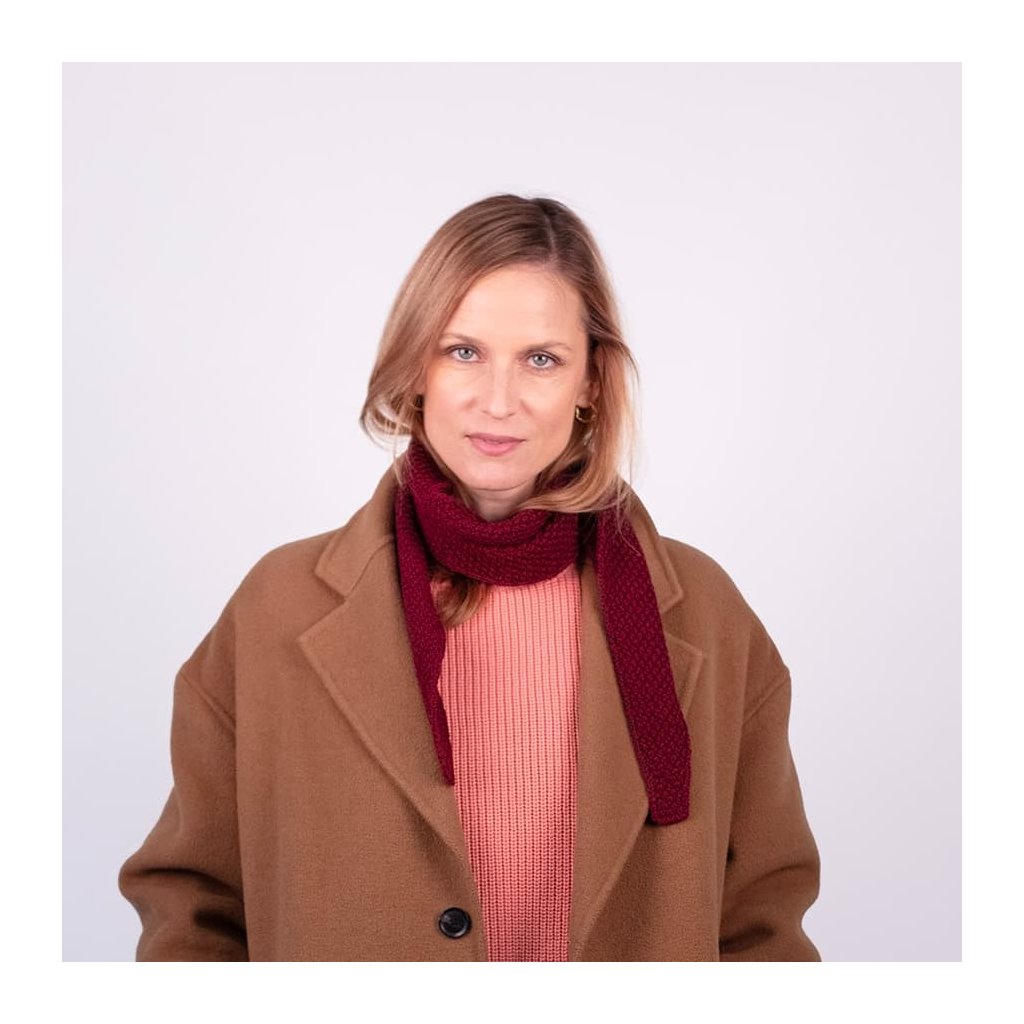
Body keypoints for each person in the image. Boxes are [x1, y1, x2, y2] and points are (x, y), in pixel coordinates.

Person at [118, 193, 821, 962]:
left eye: (541, 359)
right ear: (415, 365)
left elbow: (762, 921)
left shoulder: (707, 615)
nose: (498, 401)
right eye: (463, 352)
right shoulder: (277, 608)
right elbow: (193, 905)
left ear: (591, 382)